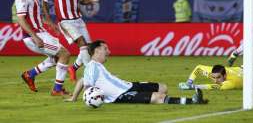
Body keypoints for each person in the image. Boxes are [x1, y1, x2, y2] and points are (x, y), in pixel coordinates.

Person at [65, 40, 208, 105]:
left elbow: (83, 80)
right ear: (96, 51)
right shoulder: (92, 66)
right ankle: (192, 101)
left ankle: (168, 100)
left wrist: (74, 98)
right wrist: (88, 97)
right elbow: (86, 84)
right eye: (105, 49)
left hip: (128, 86)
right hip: (120, 95)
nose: (109, 52)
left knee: (163, 87)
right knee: (158, 96)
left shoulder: (96, 66)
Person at [42, 0, 103, 82]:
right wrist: (48, 18)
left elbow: (82, 0)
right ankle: (91, 75)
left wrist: (90, 0)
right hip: (65, 22)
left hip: (79, 20)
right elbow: (44, 1)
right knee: (82, 43)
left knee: (89, 48)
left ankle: (73, 68)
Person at [17, 0, 71, 96]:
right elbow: (21, 19)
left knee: (57, 57)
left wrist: (50, 24)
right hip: (34, 37)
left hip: (41, 32)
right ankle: (57, 90)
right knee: (64, 54)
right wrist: (34, 37)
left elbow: (34, 16)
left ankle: (30, 74)